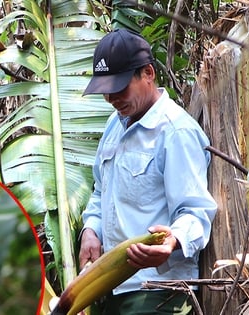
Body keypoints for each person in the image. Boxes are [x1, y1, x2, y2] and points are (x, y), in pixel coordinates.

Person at [79, 29, 218, 314]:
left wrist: (173, 240)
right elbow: (100, 191)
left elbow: (195, 211)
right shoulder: (114, 126)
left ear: (148, 74)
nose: (112, 98)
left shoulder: (176, 132)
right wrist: (91, 230)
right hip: (112, 289)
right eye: (106, 90)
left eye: (119, 88)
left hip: (159, 292)